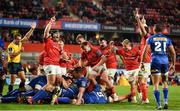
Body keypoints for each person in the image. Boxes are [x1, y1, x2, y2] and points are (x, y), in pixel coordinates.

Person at [142, 24, 176, 110]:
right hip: (165, 61)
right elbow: (173, 52)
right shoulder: (167, 39)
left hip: (155, 61)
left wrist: (142, 62)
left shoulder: (150, 38)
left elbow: (145, 51)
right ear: (162, 30)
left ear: (153, 30)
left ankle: (159, 105)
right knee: (165, 82)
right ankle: (165, 102)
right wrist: (173, 64)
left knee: (156, 84)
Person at [7, 22, 36, 92]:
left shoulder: (19, 42)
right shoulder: (10, 46)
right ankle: (9, 94)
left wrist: (32, 29)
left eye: (20, 39)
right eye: (18, 39)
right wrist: (20, 51)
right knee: (12, 82)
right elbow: (11, 56)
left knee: (23, 79)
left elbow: (26, 37)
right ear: (15, 39)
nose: (20, 40)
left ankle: (20, 91)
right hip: (12, 64)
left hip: (18, 64)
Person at [116, 39, 141, 103]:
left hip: (136, 68)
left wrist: (140, 63)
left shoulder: (135, 50)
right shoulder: (122, 51)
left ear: (129, 45)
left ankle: (140, 95)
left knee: (137, 81)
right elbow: (115, 51)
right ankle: (134, 98)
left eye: (125, 46)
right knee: (132, 84)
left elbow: (141, 56)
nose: (123, 47)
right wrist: (112, 46)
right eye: (123, 46)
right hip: (128, 70)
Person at [134, 10, 150, 103]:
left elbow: (143, 29)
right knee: (138, 80)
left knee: (142, 80)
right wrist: (144, 22)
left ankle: (145, 99)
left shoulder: (146, 37)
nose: (140, 30)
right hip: (145, 62)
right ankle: (143, 95)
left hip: (146, 62)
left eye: (141, 29)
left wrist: (138, 19)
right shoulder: (145, 38)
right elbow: (144, 28)